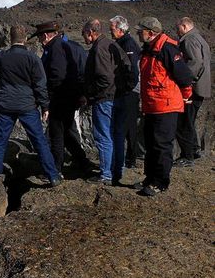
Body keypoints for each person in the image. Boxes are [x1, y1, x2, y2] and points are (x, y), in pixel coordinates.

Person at [0, 25, 61, 189]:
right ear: (25, 39)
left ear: (10, 39)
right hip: (27, 106)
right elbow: (40, 85)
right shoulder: (33, 58)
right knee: (39, 141)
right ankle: (53, 176)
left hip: (6, 105)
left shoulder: (3, 57)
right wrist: (45, 106)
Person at [134, 17, 193, 196]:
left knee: (162, 145)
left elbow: (183, 76)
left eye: (140, 31)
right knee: (151, 144)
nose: (138, 33)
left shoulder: (167, 48)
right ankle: (150, 177)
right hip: (152, 105)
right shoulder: (149, 49)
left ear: (150, 33)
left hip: (166, 105)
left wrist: (186, 96)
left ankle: (161, 182)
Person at [30, 21, 91, 177]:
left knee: (56, 134)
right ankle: (82, 161)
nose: (39, 41)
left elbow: (57, 76)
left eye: (39, 37)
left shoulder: (55, 49)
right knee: (67, 132)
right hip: (70, 97)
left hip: (60, 98)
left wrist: (48, 98)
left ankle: (56, 169)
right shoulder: (65, 46)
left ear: (45, 36)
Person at [82, 19, 130, 185]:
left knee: (103, 136)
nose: (84, 39)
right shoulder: (111, 45)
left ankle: (106, 175)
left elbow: (104, 76)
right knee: (116, 135)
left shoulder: (99, 48)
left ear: (90, 32)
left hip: (105, 98)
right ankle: (117, 170)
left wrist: (95, 94)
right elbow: (127, 66)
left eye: (84, 34)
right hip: (118, 97)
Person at [174, 17, 211, 167]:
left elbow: (196, 62)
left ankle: (187, 156)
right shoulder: (199, 38)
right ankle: (194, 150)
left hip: (192, 88)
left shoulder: (189, 40)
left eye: (178, 28)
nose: (177, 32)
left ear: (184, 26)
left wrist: (185, 80)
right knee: (188, 120)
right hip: (200, 87)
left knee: (183, 122)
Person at [109, 16, 142, 169]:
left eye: (112, 29)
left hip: (129, 91)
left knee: (129, 126)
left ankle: (130, 158)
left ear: (121, 30)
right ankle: (128, 158)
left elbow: (133, 69)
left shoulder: (128, 44)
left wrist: (127, 87)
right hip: (127, 89)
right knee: (127, 125)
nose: (111, 32)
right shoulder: (123, 43)